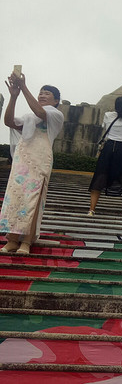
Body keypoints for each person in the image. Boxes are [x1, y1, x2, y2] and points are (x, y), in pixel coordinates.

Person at [0, 73, 64, 255]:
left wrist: (24, 86)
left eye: (47, 93)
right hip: (23, 158)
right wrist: (14, 96)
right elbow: (9, 122)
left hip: (40, 158)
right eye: (41, 92)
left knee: (33, 199)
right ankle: (12, 239)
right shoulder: (29, 117)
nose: (42, 95)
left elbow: (40, 112)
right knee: (16, 196)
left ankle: (26, 242)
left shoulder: (55, 114)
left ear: (57, 100)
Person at [87, 96, 122, 219]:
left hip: (109, 148)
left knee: (100, 177)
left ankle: (91, 210)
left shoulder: (108, 115)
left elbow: (104, 127)